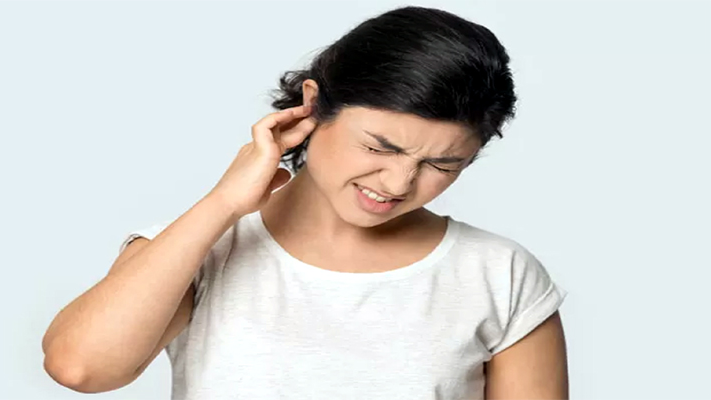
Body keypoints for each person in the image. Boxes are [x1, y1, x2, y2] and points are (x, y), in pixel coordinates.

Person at [42, 5, 568, 399]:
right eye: (378, 147)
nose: (398, 182)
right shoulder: (201, 248)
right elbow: (80, 369)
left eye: (442, 165)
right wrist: (224, 202)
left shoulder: (498, 274)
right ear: (313, 106)